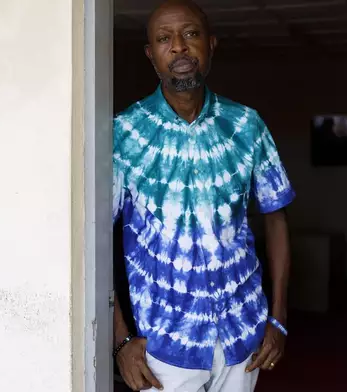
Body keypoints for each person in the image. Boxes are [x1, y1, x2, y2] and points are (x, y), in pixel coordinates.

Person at [111, 1, 295, 390]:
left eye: (190, 34)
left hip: (243, 335)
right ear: (151, 55)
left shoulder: (246, 125)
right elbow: (93, 239)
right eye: (164, 39)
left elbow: (276, 218)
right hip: (163, 345)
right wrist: (121, 340)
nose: (179, 47)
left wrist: (277, 319)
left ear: (211, 45)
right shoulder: (125, 134)